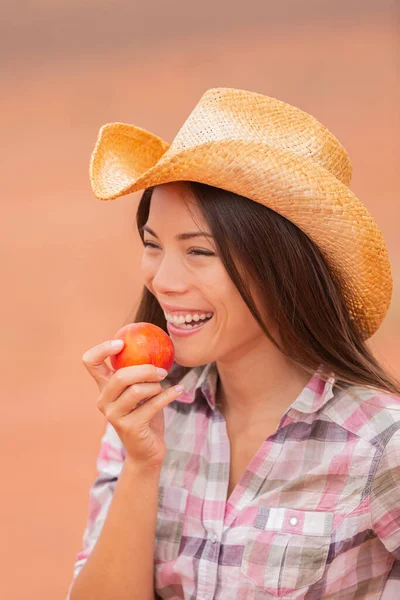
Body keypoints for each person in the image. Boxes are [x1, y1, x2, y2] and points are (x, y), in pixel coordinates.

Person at [67, 87, 400, 599]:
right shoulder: (146, 416)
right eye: (152, 245)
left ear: (280, 267)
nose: (164, 280)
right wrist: (142, 464)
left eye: (199, 251)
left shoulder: (380, 445)